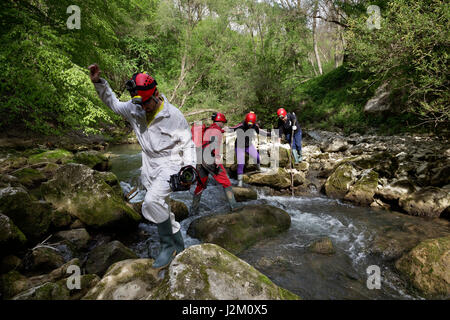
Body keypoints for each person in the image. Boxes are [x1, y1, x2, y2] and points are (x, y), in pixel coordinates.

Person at [88, 64, 196, 269]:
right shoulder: (134, 107)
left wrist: (188, 169)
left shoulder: (173, 115)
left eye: (148, 102)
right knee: (161, 205)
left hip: (171, 162)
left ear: (156, 94)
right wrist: (99, 83)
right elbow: (113, 103)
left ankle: (167, 247)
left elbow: (188, 144)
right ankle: (180, 245)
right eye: (141, 102)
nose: (144, 107)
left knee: (150, 203)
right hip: (148, 163)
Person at [190, 112, 239, 215]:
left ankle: (193, 211)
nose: (224, 125)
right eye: (223, 123)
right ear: (220, 122)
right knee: (226, 182)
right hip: (210, 158)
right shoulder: (216, 131)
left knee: (201, 184)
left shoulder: (209, 129)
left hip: (200, 158)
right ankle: (234, 207)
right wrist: (217, 157)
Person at [229, 111, 264, 187]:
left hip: (248, 145)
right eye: (249, 124)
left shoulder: (255, 125)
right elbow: (232, 128)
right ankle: (240, 182)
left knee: (257, 157)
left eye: (251, 124)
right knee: (241, 163)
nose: (250, 126)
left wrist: (270, 133)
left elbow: (260, 131)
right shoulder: (241, 125)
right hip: (239, 146)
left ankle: (258, 168)